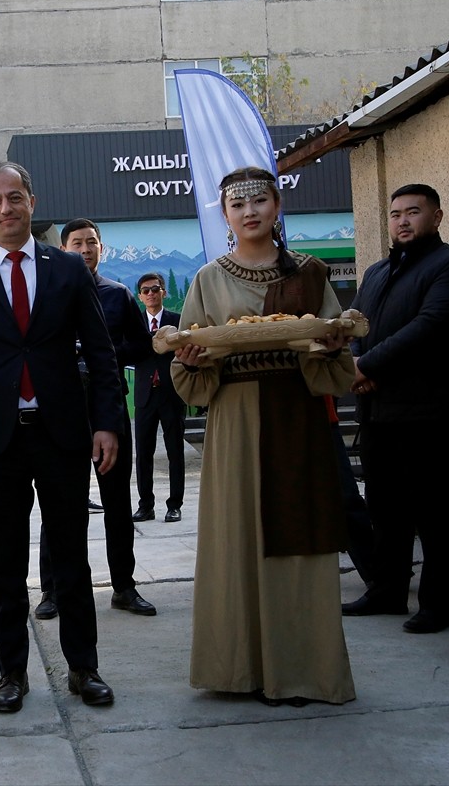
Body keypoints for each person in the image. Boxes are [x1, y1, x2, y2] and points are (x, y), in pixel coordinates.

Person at [0, 163, 124, 713]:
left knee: (72, 558)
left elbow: (101, 354)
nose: (5, 209)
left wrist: (107, 422)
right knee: (7, 564)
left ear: (32, 203)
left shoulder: (68, 270)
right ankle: (11, 673)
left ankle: (83, 668)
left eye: (14, 197)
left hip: (62, 433)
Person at [172, 167, 355, 707]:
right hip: (234, 421)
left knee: (300, 540)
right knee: (236, 539)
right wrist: (192, 358)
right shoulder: (208, 278)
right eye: (236, 204)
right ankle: (237, 669)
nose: (249, 211)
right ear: (224, 215)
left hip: (296, 418)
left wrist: (328, 347)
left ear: (277, 206)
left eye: (259, 200)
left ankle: (302, 671)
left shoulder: (311, 273)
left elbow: (334, 343)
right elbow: (191, 366)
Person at [342, 184, 449, 634]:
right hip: (378, 408)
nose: (402, 221)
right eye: (396, 213)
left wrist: (367, 363)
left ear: (437, 217)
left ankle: (439, 605)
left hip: (432, 411)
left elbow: (432, 327)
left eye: (413, 212)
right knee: (384, 507)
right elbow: (356, 325)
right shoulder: (377, 272)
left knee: (434, 511)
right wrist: (355, 362)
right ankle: (387, 591)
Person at [35, 218, 156, 622]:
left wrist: (101, 354)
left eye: (92, 243)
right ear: (64, 249)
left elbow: (142, 345)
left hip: (108, 407)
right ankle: (51, 591)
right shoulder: (49, 293)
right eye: (77, 243)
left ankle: (124, 585)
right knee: (59, 504)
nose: (85, 250)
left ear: (101, 249)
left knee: (117, 501)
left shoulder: (119, 295)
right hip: (61, 410)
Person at [132, 272, 187, 523]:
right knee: (144, 453)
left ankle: (174, 504)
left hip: (172, 393)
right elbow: (127, 352)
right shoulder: (135, 325)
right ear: (140, 296)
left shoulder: (177, 321)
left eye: (155, 289)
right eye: (146, 290)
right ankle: (146, 505)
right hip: (145, 396)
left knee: (175, 451)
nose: (151, 294)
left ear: (163, 292)